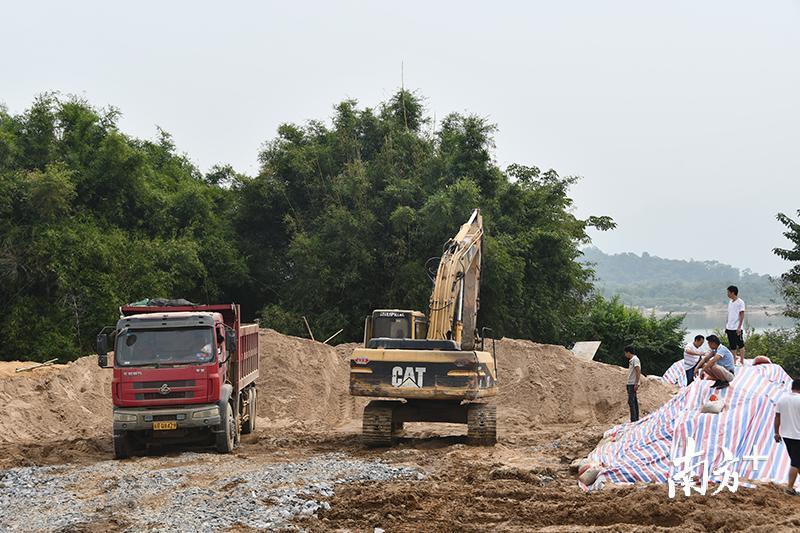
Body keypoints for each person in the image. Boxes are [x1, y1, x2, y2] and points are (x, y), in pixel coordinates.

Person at [774, 378, 800, 495]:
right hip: (798, 436)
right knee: (795, 462)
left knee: (797, 461)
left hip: (786, 435)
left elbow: (777, 417)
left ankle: (790, 488)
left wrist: (776, 432)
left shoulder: (782, 399)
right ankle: (789, 488)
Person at [725, 285, 746, 366]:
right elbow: (729, 314)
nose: (727, 294)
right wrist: (726, 325)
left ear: (733, 292)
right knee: (732, 345)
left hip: (737, 327)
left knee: (740, 344)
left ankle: (742, 361)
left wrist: (739, 327)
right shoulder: (730, 302)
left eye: (728, 292)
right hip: (729, 327)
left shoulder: (740, 302)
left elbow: (742, 314)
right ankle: (733, 361)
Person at [624, 345, 641, 422]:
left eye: (625, 353)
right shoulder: (632, 360)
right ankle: (635, 418)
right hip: (630, 383)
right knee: (633, 401)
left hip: (632, 383)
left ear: (628, 352)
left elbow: (638, 370)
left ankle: (633, 419)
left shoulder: (635, 359)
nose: (625, 355)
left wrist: (636, 383)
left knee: (631, 401)